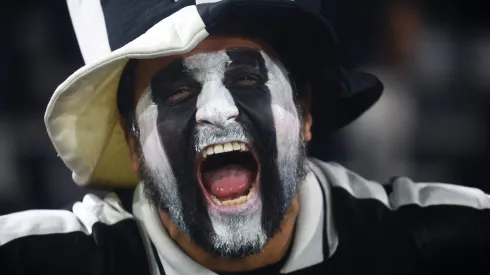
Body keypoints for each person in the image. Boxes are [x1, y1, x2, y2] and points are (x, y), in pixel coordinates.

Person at [1, 0, 489, 274]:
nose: (216, 111)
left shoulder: (445, 243)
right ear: (132, 144)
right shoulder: (43, 263)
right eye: (176, 93)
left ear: (304, 113)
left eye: (249, 80)